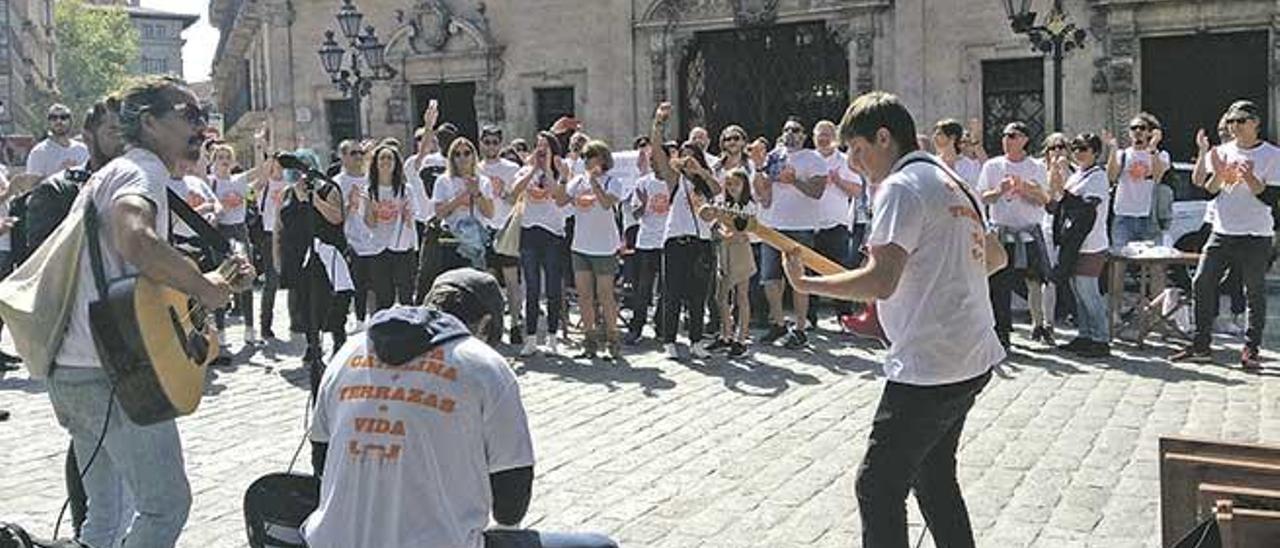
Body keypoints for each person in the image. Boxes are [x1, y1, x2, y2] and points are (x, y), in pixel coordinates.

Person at [784, 90, 1004, 548]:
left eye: (858, 151)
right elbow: (995, 257)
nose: (854, 164)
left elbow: (881, 281)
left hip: (931, 363)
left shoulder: (901, 188)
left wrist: (806, 287)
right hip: (972, 354)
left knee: (878, 485)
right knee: (934, 476)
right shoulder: (953, 182)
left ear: (884, 138)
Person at [47, 76, 251, 548]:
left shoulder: (111, 172)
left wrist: (203, 288)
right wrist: (207, 286)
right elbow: (136, 239)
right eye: (188, 115)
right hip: (111, 370)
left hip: (74, 366)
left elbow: (139, 282)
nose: (200, 125)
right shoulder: (143, 173)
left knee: (105, 515)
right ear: (150, 122)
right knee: (165, 507)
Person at [303, 268, 617, 548]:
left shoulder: (351, 349)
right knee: (600, 545)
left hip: (329, 540)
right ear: (486, 324)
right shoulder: (483, 364)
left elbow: (320, 458)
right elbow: (511, 501)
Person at [1172, 100, 1279, 369]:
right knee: (1201, 282)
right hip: (1222, 231)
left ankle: (1251, 348)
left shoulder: (1272, 155)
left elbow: (1270, 199)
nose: (1234, 127)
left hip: (1256, 233)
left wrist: (1252, 178)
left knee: (1253, 290)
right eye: (1231, 122)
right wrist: (1218, 173)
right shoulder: (1222, 151)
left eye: (1240, 121)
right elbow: (1210, 189)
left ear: (1255, 123)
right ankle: (1201, 345)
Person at [649, 103, 721, 361]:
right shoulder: (673, 179)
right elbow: (656, 151)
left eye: (692, 154)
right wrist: (659, 122)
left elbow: (718, 190)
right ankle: (669, 340)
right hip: (675, 241)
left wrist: (698, 171)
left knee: (698, 294)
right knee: (672, 293)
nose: (686, 158)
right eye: (683, 154)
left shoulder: (704, 181)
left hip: (700, 242)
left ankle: (696, 340)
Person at [275, 148, 350, 394]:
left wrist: (313, 199)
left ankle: (338, 338)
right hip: (299, 256)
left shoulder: (327, 188)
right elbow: (281, 224)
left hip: (326, 254)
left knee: (331, 300)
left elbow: (337, 218)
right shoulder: (287, 193)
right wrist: (278, 259)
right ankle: (312, 344)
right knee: (305, 303)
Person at [756, 117, 828, 348]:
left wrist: (794, 179)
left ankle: (800, 328)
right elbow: (764, 195)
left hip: (801, 227)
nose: (790, 134)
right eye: (786, 130)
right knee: (770, 278)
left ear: (804, 135)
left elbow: (817, 191)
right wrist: (760, 171)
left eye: (795, 130)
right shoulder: (773, 156)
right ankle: (778, 324)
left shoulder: (813, 158)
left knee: (799, 280)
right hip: (772, 224)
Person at [978, 121, 1051, 349]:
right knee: (999, 284)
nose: (1007, 140)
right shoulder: (992, 165)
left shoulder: (1036, 166)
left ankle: (1040, 325)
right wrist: (999, 191)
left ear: (1024, 140)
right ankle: (1002, 333)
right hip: (1002, 233)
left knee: (1035, 282)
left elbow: (1044, 199)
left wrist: (1027, 189)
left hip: (1028, 233)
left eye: (1013, 135)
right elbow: (982, 197)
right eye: (1005, 135)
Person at [1050, 133, 1111, 357]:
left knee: (1089, 292)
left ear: (1095, 152)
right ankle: (1085, 335)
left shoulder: (1098, 176)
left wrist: (1065, 193)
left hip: (1091, 244)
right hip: (1074, 244)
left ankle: (1101, 339)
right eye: (1075, 148)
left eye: (1084, 149)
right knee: (1078, 292)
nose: (1078, 153)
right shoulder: (1078, 176)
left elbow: (1086, 206)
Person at [512, 132, 572, 357]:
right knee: (532, 286)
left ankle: (553, 337)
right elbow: (513, 192)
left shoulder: (560, 170)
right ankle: (530, 338)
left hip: (553, 234)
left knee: (554, 287)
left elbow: (558, 196)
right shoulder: (526, 170)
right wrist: (531, 170)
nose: (541, 151)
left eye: (545, 147)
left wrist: (547, 168)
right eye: (538, 147)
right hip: (529, 232)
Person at [566, 140, 624, 360]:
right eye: (584, 157)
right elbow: (561, 199)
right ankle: (590, 340)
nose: (587, 161)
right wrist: (564, 176)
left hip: (605, 246)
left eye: (591, 156)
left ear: (602, 158)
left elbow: (607, 203)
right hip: (580, 245)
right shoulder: (577, 181)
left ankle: (613, 339)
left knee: (605, 294)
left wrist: (595, 183)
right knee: (584, 295)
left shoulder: (612, 181)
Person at [207, 143, 262, 345]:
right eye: (220, 156)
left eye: (227, 157)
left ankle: (250, 329)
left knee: (246, 277)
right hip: (220, 233)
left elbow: (261, 170)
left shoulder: (239, 181)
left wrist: (260, 146)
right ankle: (220, 331)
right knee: (222, 279)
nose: (224, 160)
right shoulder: (210, 182)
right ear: (213, 161)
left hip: (239, 231)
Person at [700, 167, 756, 357]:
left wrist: (722, 227)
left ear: (744, 185)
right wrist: (717, 224)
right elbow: (711, 220)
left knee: (741, 296)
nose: (732, 188)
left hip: (740, 252)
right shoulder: (722, 204)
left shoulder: (748, 205)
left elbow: (740, 229)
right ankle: (726, 335)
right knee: (721, 297)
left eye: (736, 184)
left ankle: (741, 339)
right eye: (729, 184)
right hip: (724, 251)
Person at [479, 125, 525, 345]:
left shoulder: (511, 168)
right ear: (481, 143)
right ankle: (494, 325)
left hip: (506, 226)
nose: (491, 146)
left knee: (512, 281)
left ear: (500, 143)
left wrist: (505, 193)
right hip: (484, 228)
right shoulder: (476, 169)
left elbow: (518, 198)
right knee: (489, 281)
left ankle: (516, 324)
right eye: (487, 142)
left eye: (495, 142)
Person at [813, 120, 862, 321]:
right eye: (820, 135)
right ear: (814, 137)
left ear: (835, 138)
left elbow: (858, 190)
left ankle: (843, 316)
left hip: (836, 224)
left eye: (827, 135)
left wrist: (838, 181)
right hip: (809, 223)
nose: (823, 139)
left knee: (838, 271)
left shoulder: (844, 160)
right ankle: (809, 317)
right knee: (809, 272)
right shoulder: (809, 159)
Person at [363, 143, 419, 312]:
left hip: (402, 247)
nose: (386, 161)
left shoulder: (406, 190)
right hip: (379, 248)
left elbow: (412, 221)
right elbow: (370, 224)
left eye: (390, 158)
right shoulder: (369, 191)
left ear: (396, 163)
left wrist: (406, 213)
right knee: (383, 297)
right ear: (376, 163)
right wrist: (371, 207)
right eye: (382, 158)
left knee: (406, 295)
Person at [625, 138, 669, 345]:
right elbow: (635, 214)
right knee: (643, 287)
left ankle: (662, 326)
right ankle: (637, 327)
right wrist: (642, 205)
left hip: (668, 241)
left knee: (666, 288)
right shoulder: (642, 183)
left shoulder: (673, 182)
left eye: (656, 160)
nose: (653, 164)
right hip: (646, 241)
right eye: (651, 161)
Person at [1105, 112, 1169, 249]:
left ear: (1150, 132)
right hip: (1123, 215)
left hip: (1149, 217)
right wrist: (1112, 149)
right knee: (1119, 259)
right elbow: (1111, 177)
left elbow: (1157, 176)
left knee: (1154, 261)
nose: (1137, 131)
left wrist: (1153, 148)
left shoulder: (1161, 155)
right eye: (1133, 128)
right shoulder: (1122, 154)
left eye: (1142, 128)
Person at [332, 140, 377, 328]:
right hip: (350, 240)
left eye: (360, 152)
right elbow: (334, 214)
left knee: (376, 284)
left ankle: (375, 319)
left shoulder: (371, 179)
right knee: (357, 283)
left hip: (375, 238)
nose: (359, 156)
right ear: (342, 157)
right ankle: (358, 320)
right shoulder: (337, 182)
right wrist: (350, 205)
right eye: (353, 153)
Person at [25, 103, 91, 179]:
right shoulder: (38, 153)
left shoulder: (83, 150)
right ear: (49, 122)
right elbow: (33, 186)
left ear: (71, 121)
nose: (59, 121)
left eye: (63, 117)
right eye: (54, 118)